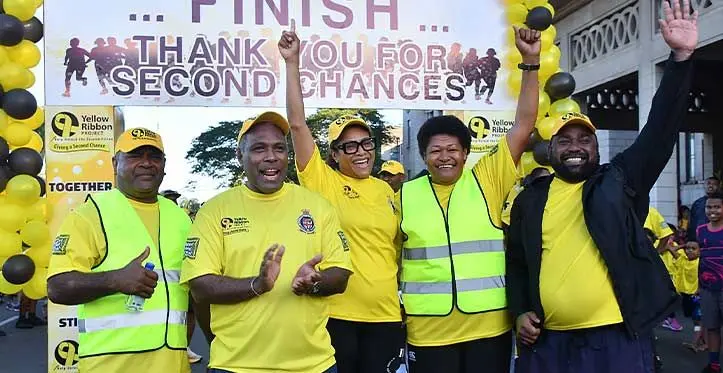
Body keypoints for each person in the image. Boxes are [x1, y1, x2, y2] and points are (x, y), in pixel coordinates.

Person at [507, 1, 697, 371]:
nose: (575, 146)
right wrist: (519, 311)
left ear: (596, 147)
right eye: (565, 140)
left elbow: (661, 129)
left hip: (617, 340)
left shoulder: (620, 181)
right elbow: (515, 263)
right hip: (550, 342)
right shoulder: (530, 199)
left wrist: (681, 60)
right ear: (551, 149)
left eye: (585, 139)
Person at [397, 26, 540, 373]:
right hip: (427, 332)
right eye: (435, 151)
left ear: (465, 153)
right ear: (423, 156)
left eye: (452, 150)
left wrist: (531, 63)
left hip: (488, 329)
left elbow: (524, 124)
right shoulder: (404, 194)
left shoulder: (487, 179)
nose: (445, 157)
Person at [181, 113, 352, 373]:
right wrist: (257, 285)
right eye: (259, 148)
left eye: (279, 148)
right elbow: (200, 287)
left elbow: (340, 275)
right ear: (240, 156)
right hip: (236, 366)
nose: (271, 157)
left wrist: (315, 282)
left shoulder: (318, 207)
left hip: (314, 366)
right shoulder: (214, 211)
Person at [280, 22, 405, 373]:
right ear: (334, 154)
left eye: (366, 143)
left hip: (385, 317)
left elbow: (396, 251)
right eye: (349, 146)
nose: (361, 151)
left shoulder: (387, 190)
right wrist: (292, 64)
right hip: (337, 315)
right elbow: (298, 125)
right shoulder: (323, 181)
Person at [47, 128, 192, 373]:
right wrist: (114, 279)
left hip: (173, 364)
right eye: (135, 155)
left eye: (154, 156)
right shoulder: (90, 213)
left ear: (164, 165)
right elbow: (57, 287)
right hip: (110, 365)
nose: (146, 163)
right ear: (115, 163)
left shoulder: (180, 218)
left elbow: (189, 293)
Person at [160, 189, 204, 365]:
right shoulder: (157, 218)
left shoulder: (182, 218)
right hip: (160, 279)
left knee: (190, 312)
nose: (173, 202)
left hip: (183, 274)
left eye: (175, 200)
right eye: (169, 199)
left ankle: (184, 347)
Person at [688, 193, 723, 372]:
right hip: (707, 287)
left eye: (717, 207)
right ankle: (714, 365)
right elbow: (700, 254)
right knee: (712, 327)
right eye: (709, 207)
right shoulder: (700, 230)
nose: (712, 211)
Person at [644, 206, 683, 332]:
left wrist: (656, 253)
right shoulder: (616, 206)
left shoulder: (651, 211)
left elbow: (666, 234)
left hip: (646, 265)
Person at [689, 177, 721, 243]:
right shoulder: (697, 203)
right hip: (700, 238)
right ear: (704, 185)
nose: (711, 186)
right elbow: (692, 223)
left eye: (714, 184)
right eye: (708, 183)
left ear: (718, 186)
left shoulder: (721, 202)